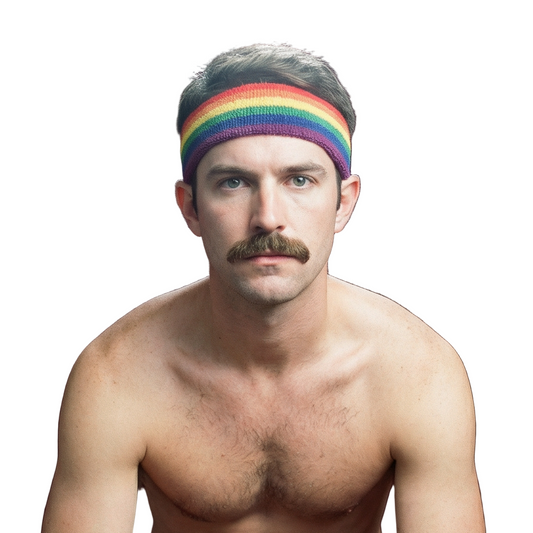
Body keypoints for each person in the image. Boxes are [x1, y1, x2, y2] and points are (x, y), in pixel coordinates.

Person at [42, 44, 485, 532]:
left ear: (343, 202)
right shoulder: (117, 377)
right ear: (190, 207)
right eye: (234, 183)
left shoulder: (417, 376)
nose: (268, 217)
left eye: (299, 180)